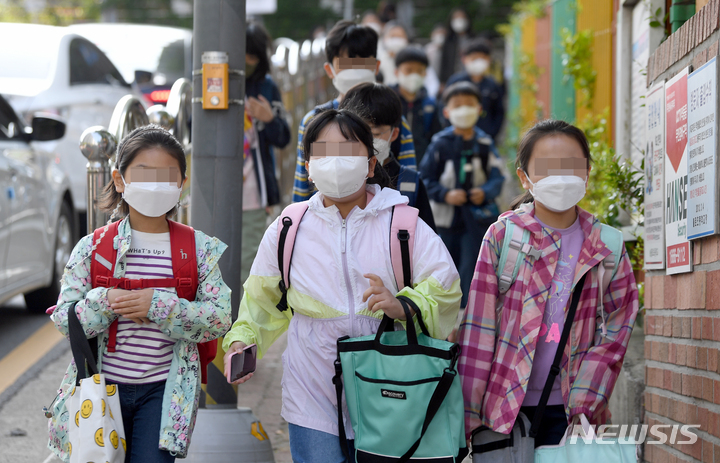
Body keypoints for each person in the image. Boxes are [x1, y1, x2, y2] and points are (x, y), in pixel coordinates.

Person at [223, 109, 461, 462]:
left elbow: (445, 284)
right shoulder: (288, 227)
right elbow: (260, 300)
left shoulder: (403, 223)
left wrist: (403, 305)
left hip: (389, 382)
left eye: (348, 151)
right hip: (312, 385)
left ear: (369, 164)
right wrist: (243, 339)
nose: (336, 163)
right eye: (324, 152)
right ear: (309, 166)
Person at [47, 126, 233, 462]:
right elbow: (65, 318)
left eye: (167, 176)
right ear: (119, 180)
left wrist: (160, 306)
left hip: (164, 392)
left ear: (181, 183)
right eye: (144, 174)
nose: (155, 185)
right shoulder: (92, 248)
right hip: (100, 389)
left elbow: (220, 317)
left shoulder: (198, 249)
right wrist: (105, 302)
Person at [457, 120, 639, 448]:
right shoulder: (503, 237)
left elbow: (617, 326)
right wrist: (468, 415)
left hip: (573, 411)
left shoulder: (607, 244)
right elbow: (479, 327)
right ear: (524, 177)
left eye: (570, 166)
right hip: (503, 408)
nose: (560, 177)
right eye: (547, 168)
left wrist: (586, 398)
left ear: (586, 172)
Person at [291, 20, 417, 203]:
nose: (354, 71)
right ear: (330, 69)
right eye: (346, 64)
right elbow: (304, 182)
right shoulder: (315, 120)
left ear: (376, 66)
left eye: (362, 63)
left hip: (383, 220)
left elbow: (408, 179)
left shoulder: (392, 118)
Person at [419, 82, 505, 308]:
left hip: (477, 219)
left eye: (470, 104)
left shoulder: (485, 143)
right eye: (458, 105)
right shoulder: (439, 144)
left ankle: (467, 313)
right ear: (446, 112)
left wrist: (485, 192)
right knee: (444, 264)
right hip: (445, 220)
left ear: (479, 109)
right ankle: (442, 311)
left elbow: (498, 177)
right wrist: (445, 194)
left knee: (471, 264)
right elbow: (425, 179)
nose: (464, 110)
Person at [339, 82, 436, 230]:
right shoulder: (335, 179)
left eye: (376, 134)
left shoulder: (410, 183)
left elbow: (429, 244)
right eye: (358, 134)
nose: (367, 141)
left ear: (394, 133)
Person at [243, 22, 291, 285]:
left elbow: (283, 137)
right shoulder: (216, 82)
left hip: (255, 188)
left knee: (250, 256)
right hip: (219, 185)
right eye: (244, 54)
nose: (247, 61)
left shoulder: (266, 87)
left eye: (253, 56)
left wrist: (269, 118)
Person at [446, 38, 505, 140]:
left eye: (482, 58)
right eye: (474, 58)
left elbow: (499, 112)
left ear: (489, 60)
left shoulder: (492, 85)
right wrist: (449, 130)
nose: (478, 62)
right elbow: (444, 106)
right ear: (464, 59)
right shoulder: (455, 82)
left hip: (485, 136)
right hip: (456, 137)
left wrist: (492, 132)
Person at [391, 47, 442, 163]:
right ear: (396, 72)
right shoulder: (387, 99)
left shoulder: (430, 103)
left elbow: (435, 136)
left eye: (419, 71)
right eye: (408, 70)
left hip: (421, 163)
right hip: (390, 163)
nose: (414, 75)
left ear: (426, 74)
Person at [439, 7, 474, 86]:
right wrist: (442, 82)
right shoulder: (448, 41)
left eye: (462, 17)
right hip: (452, 80)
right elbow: (444, 63)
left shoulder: (473, 40)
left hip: (470, 79)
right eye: (456, 18)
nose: (459, 20)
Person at [377, 21, 409, 86]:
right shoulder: (378, 59)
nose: (396, 40)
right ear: (385, 38)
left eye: (400, 36)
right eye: (393, 36)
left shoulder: (413, 60)